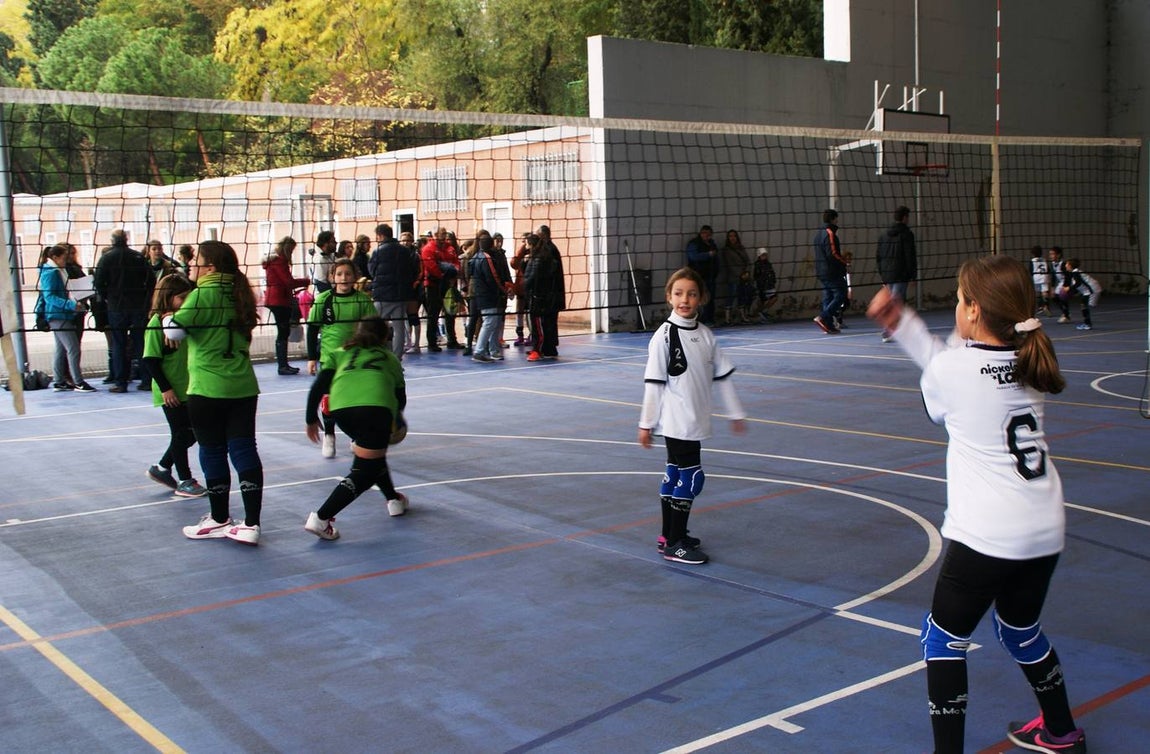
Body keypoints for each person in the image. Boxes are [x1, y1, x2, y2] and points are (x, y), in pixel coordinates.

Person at [866, 255, 1085, 754]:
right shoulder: (1031, 362)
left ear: (972, 312)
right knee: (1020, 631)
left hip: (986, 535)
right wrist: (904, 324)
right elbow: (959, 362)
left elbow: (943, 381)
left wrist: (903, 322)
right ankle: (1062, 732)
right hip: (1044, 528)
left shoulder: (952, 368)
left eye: (962, 300)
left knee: (942, 641)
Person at [638, 267, 746, 565]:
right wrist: (646, 423)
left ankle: (669, 535)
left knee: (674, 475)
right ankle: (675, 544)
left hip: (695, 420)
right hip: (677, 420)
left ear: (701, 298)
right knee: (692, 478)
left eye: (692, 293)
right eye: (678, 293)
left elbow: (723, 375)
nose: (684, 299)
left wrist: (735, 413)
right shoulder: (664, 335)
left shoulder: (705, 335)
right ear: (669, 297)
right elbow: (654, 383)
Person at [164, 240, 265, 546]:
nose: (191, 265)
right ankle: (250, 524)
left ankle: (219, 518)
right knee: (244, 449)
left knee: (212, 451)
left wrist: (168, 318)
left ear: (209, 267)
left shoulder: (202, 295)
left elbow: (173, 331)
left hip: (208, 388)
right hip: (243, 386)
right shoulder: (240, 294)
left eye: (196, 261)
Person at [303, 317, 409, 540]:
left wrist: (310, 417)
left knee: (372, 458)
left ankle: (393, 500)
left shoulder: (340, 352)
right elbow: (400, 398)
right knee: (364, 471)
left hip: (342, 411)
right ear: (384, 337)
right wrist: (396, 420)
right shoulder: (389, 358)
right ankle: (322, 518)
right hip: (375, 408)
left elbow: (319, 385)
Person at [143, 274, 207, 498]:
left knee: (192, 434)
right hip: (171, 390)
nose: (186, 300)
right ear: (167, 298)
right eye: (181, 297)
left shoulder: (183, 321)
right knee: (181, 433)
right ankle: (185, 480)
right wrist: (165, 388)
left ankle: (161, 468)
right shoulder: (155, 324)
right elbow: (150, 360)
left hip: (189, 387)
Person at [306, 258, 377, 459]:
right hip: (330, 359)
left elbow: (372, 327)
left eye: (347, 274)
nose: (343, 278)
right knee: (329, 400)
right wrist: (312, 357)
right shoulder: (324, 300)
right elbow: (312, 329)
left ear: (354, 277)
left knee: (355, 399)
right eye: (339, 274)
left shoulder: (362, 300)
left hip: (355, 359)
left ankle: (356, 435)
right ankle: (329, 435)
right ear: (332, 277)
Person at [94, 229, 153, 392]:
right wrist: (145, 300)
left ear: (112, 241)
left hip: (117, 307)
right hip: (138, 305)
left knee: (119, 344)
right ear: (126, 239)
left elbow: (98, 283)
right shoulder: (138, 257)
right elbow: (151, 280)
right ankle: (147, 380)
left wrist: (109, 297)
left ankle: (121, 383)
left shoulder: (106, 258)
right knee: (141, 343)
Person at [38, 244, 97, 393]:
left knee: (61, 348)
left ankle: (59, 381)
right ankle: (78, 382)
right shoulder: (51, 273)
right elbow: (49, 296)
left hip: (61, 314)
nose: (67, 260)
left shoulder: (57, 270)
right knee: (73, 348)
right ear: (55, 258)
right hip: (58, 315)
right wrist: (70, 305)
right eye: (64, 257)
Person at [262, 236, 309, 375]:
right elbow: (288, 282)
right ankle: (282, 365)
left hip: (274, 299)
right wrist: (305, 281)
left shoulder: (272, 261)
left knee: (282, 331)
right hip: (280, 300)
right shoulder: (280, 261)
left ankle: (283, 364)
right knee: (283, 332)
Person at [368, 223, 415, 359]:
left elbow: (372, 270)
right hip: (400, 295)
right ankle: (397, 358)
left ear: (380, 236)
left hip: (382, 295)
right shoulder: (405, 251)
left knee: (375, 326)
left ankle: (376, 355)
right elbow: (412, 270)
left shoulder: (378, 251)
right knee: (399, 329)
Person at [468, 230, 513, 362]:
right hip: (489, 296)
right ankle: (479, 351)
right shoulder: (486, 258)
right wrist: (506, 290)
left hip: (487, 295)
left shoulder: (476, 256)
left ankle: (494, 350)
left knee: (495, 323)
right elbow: (493, 278)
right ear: (491, 244)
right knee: (489, 322)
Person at [875, 205, 917, 342]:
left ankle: (896, 330)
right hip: (901, 274)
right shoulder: (906, 234)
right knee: (897, 302)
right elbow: (909, 256)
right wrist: (912, 275)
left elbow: (879, 256)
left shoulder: (884, 235)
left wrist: (882, 274)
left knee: (895, 301)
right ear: (905, 217)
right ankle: (889, 331)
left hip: (888, 274)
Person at [524, 230, 565, 361]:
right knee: (546, 324)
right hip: (546, 296)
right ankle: (548, 349)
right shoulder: (544, 253)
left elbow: (532, 277)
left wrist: (522, 288)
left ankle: (539, 349)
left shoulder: (540, 256)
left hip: (540, 296)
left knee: (539, 324)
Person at [420, 227, 462, 351]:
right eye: (441, 234)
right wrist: (443, 275)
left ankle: (452, 340)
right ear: (435, 235)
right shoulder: (428, 249)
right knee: (433, 314)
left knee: (450, 312)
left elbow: (456, 263)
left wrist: (453, 275)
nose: (444, 236)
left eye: (444, 233)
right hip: (434, 286)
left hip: (449, 285)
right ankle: (432, 343)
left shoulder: (450, 248)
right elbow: (431, 267)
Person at [812, 209, 848, 334]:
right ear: (833, 219)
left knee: (828, 295)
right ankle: (823, 317)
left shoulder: (818, 234)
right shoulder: (830, 234)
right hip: (830, 271)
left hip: (821, 271)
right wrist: (844, 262)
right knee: (841, 293)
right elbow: (833, 254)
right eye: (836, 218)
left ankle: (827, 325)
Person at [684, 225, 719, 324]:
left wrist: (716, 271)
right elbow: (693, 257)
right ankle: (697, 319)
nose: (706, 235)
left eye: (708, 234)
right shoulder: (694, 244)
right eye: (704, 233)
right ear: (701, 233)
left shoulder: (712, 244)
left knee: (710, 298)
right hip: (698, 276)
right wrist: (708, 255)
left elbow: (717, 260)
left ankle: (709, 319)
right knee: (698, 298)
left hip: (711, 276)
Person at [717, 229, 751, 325]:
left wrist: (746, 272)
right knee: (731, 296)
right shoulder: (726, 250)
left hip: (743, 276)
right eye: (730, 236)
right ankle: (727, 318)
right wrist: (740, 274)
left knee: (742, 295)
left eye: (734, 236)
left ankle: (743, 316)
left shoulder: (741, 248)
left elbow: (747, 261)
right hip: (733, 276)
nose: (732, 238)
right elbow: (729, 264)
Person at [399, 231, 423, 354]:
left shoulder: (416, 255)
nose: (405, 242)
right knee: (404, 317)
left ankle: (417, 344)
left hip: (413, 289)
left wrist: (416, 282)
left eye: (407, 240)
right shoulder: (398, 254)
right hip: (402, 289)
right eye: (403, 240)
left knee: (413, 316)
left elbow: (421, 271)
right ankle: (408, 343)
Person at [1064, 258, 1100, 331]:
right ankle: (1087, 323)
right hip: (1090, 290)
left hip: (1092, 289)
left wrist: (1069, 288)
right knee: (1084, 305)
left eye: (1067, 264)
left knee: (1084, 306)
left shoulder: (1076, 273)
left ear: (1070, 266)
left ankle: (1087, 324)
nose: (1065, 266)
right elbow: (1079, 285)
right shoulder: (1075, 273)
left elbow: (1078, 283)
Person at [509, 232, 531, 346]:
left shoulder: (536, 252)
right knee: (520, 310)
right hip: (521, 286)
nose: (523, 243)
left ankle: (532, 334)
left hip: (530, 287)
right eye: (522, 241)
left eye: (525, 241)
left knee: (530, 312)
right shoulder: (521, 253)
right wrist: (521, 251)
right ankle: (520, 334)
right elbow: (513, 263)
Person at [751, 248, 778, 322]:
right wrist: (760, 286)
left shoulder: (768, 264)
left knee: (774, 298)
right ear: (759, 256)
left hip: (769, 285)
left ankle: (763, 312)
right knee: (761, 301)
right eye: (763, 255)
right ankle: (757, 314)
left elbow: (772, 273)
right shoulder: (758, 265)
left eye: (765, 255)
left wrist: (773, 280)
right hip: (763, 286)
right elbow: (757, 276)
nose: (764, 256)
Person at [1048, 246, 1072, 324]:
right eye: (1050, 254)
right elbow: (1053, 276)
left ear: (1058, 255)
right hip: (1061, 282)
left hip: (1068, 281)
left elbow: (1068, 276)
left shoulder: (1063, 264)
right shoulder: (1052, 264)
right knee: (1054, 297)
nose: (1051, 256)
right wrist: (1052, 287)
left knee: (1062, 297)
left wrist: (1066, 286)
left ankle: (1066, 316)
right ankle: (1065, 312)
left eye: (1052, 254)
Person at [1029, 245, 1051, 316]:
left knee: (1037, 293)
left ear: (1033, 253)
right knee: (1044, 292)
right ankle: (1046, 306)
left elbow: (1031, 270)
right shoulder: (1044, 260)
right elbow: (1048, 269)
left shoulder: (1032, 260)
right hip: (1044, 277)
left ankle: (1040, 307)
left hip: (1036, 277)